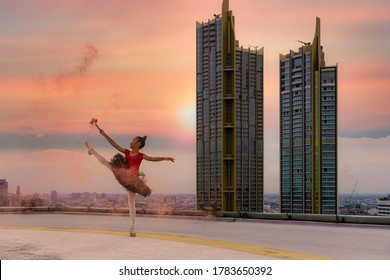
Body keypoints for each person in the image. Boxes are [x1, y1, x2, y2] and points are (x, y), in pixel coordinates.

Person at [85, 125, 174, 237]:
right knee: (108, 164)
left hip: (132, 181)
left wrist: (165, 158)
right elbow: (114, 144)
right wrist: (103, 134)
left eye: (133, 140)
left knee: (131, 203)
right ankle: (92, 151)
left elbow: (153, 158)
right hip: (124, 174)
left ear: (138, 143)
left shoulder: (141, 155)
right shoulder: (127, 152)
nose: (130, 141)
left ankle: (133, 227)